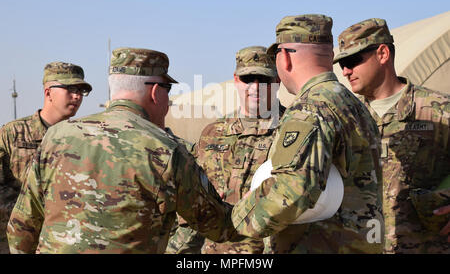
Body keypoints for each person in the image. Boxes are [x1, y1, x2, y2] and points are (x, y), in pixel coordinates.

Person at [7, 47, 238, 254]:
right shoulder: (167, 150)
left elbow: (21, 227)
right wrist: (263, 196)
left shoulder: (56, 137)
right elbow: (220, 225)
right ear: (156, 91)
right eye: (168, 89)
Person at [231, 14, 384, 253]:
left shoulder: (310, 108)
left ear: (284, 58)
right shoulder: (355, 106)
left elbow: (292, 190)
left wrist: (235, 219)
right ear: (330, 55)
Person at [334, 18, 450, 253]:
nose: (346, 71)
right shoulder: (345, 118)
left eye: (353, 60)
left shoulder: (438, 110)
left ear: (383, 53)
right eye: (341, 64)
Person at [166, 46, 285, 254]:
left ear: (277, 82)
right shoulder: (213, 134)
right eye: (248, 79)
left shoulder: (291, 131)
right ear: (236, 81)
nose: (255, 87)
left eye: (263, 80)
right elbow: (195, 208)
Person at [0, 61, 92, 254]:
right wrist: (31, 214)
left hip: (64, 242)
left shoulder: (84, 138)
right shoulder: (13, 133)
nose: (77, 96)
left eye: (81, 91)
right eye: (70, 89)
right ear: (48, 92)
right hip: (17, 242)